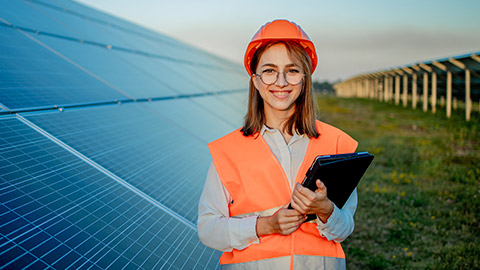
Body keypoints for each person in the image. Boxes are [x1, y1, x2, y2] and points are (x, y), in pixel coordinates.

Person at [198, 19, 358, 270]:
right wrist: (265, 225)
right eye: (269, 70)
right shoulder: (228, 151)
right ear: (255, 80)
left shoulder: (337, 144)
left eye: (292, 70)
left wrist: (326, 209)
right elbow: (208, 229)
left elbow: (344, 228)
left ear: (305, 79)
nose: (281, 81)